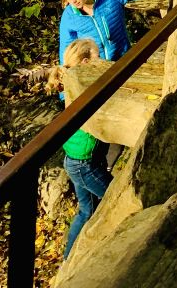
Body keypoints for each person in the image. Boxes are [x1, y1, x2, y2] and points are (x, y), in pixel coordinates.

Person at [56, 39, 112, 259]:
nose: (102, 60)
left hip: (77, 160)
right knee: (114, 198)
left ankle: (69, 259)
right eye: (98, 57)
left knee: (86, 210)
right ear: (87, 62)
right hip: (83, 164)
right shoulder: (84, 88)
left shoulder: (75, 82)